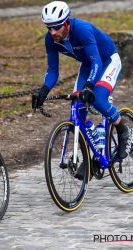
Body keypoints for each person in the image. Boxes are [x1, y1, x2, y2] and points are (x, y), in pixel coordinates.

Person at [32, 1, 133, 178]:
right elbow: (53, 70)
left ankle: (123, 129)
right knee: (78, 108)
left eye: (56, 27)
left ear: (66, 23)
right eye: (49, 28)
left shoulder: (82, 29)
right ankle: (89, 157)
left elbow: (97, 61)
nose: (52, 32)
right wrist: (43, 90)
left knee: (98, 98)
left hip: (107, 61)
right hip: (88, 66)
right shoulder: (51, 39)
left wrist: (89, 85)